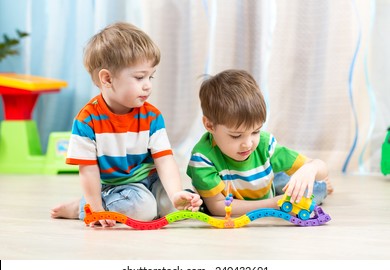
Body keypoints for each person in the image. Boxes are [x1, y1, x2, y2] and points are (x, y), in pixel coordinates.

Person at [51, 22, 202, 227]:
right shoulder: (87, 120)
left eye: (151, 76)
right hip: (118, 186)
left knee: (178, 207)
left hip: (151, 180)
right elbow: (88, 169)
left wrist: (176, 193)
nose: (148, 85)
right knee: (143, 209)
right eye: (140, 77)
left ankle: (153, 202)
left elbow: (165, 160)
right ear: (107, 79)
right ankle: (82, 207)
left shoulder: (152, 117)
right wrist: (96, 210)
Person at [186, 69, 333, 216]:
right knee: (288, 188)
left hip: (263, 182)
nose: (248, 144)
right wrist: (273, 204)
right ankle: (281, 179)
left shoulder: (265, 144)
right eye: (236, 136)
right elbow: (217, 207)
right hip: (253, 195)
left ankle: (318, 185)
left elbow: (321, 167)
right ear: (210, 125)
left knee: (311, 187)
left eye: (255, 131)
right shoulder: (202, 158)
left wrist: (311, 168)